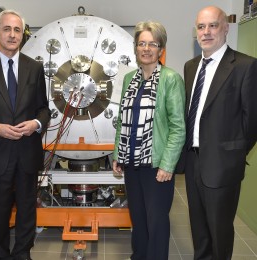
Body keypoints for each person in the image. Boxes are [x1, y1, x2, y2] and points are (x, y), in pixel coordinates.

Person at [179, 6, 257, 259]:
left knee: (220, 231)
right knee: (199, 229)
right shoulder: (190, 67)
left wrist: (231, 153)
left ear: (225, 28)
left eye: (213, 25)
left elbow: (252, 121)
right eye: (201, 27)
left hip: (223, 166)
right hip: (193, 162)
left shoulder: (245, 66)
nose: (207, 32)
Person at [0, 10, 50, 260]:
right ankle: (2, 255)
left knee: (27, 209)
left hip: (27, 151)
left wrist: (36, 124)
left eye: (17, 30)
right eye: (7, 29)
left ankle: (23, 253)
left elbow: (44, 108)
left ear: (22, 35)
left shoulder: (35, 67)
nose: (12, 34)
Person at [112, 21, 186, 260]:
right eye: (141, 43)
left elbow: (177, 127)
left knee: (157, 221)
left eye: (152, 44)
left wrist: (167, 164)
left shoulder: (170, 79)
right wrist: (117, 153)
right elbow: (122, 120)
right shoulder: (129, 80)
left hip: (156, 164)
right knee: (139, 217)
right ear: (136, 48)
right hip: (131, 162)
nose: (146, 48)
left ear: (161, 49)